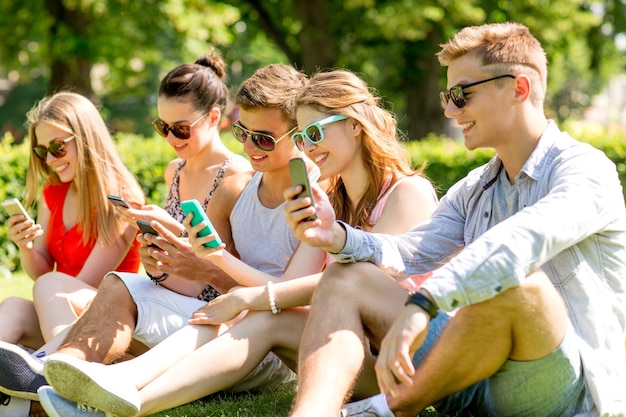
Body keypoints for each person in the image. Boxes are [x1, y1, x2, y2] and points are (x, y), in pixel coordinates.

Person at [35, 69, 439, 417]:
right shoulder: (334, 201)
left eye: (313, 133)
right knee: (238, 310)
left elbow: (359, 286)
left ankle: (121, 389)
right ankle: (99, 386)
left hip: (393, 358)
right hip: (340, 348)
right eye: (304, 134)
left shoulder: (408, 194)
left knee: (260, 313)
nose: (309, 147)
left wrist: (242, 292)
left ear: (355, 124)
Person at [280, 22, 626, 417]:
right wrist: (337, 236)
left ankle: (388, 408)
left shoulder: (585, 169)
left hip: (557, 390)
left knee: (524, 285)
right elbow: (411, 250)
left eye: (462, 95)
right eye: (447, 96)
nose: (448, 109)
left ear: (519, 88)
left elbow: (521, 242)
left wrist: (424, 303)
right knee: (345, 275)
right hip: (472, 368)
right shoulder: (477, 185)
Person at [0, 53, 251, 415]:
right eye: (161, 127)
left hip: (187, 310)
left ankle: (48, 369)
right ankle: (43, 370)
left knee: (59, 286)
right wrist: (155, 249)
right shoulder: (174, 171)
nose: (170, 138)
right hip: (147, 300)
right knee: (19, 302)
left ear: (214, 118)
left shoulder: (237, 178)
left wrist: (169, 240)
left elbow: (232, 268)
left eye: (180, 128)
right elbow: (164, 269)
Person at [0, 91, 145, 416]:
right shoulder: (54, 190)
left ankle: (60, 372)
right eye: (41, 152)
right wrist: (25, 245)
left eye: (58, 148)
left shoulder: (121, 200)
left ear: (87, 139)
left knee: (50, 286)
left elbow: (81, 283)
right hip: (64, 317)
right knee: (11, 306)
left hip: (110, 327)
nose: (50, 160)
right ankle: (45, 376)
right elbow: (41, 272)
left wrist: (49, 284)